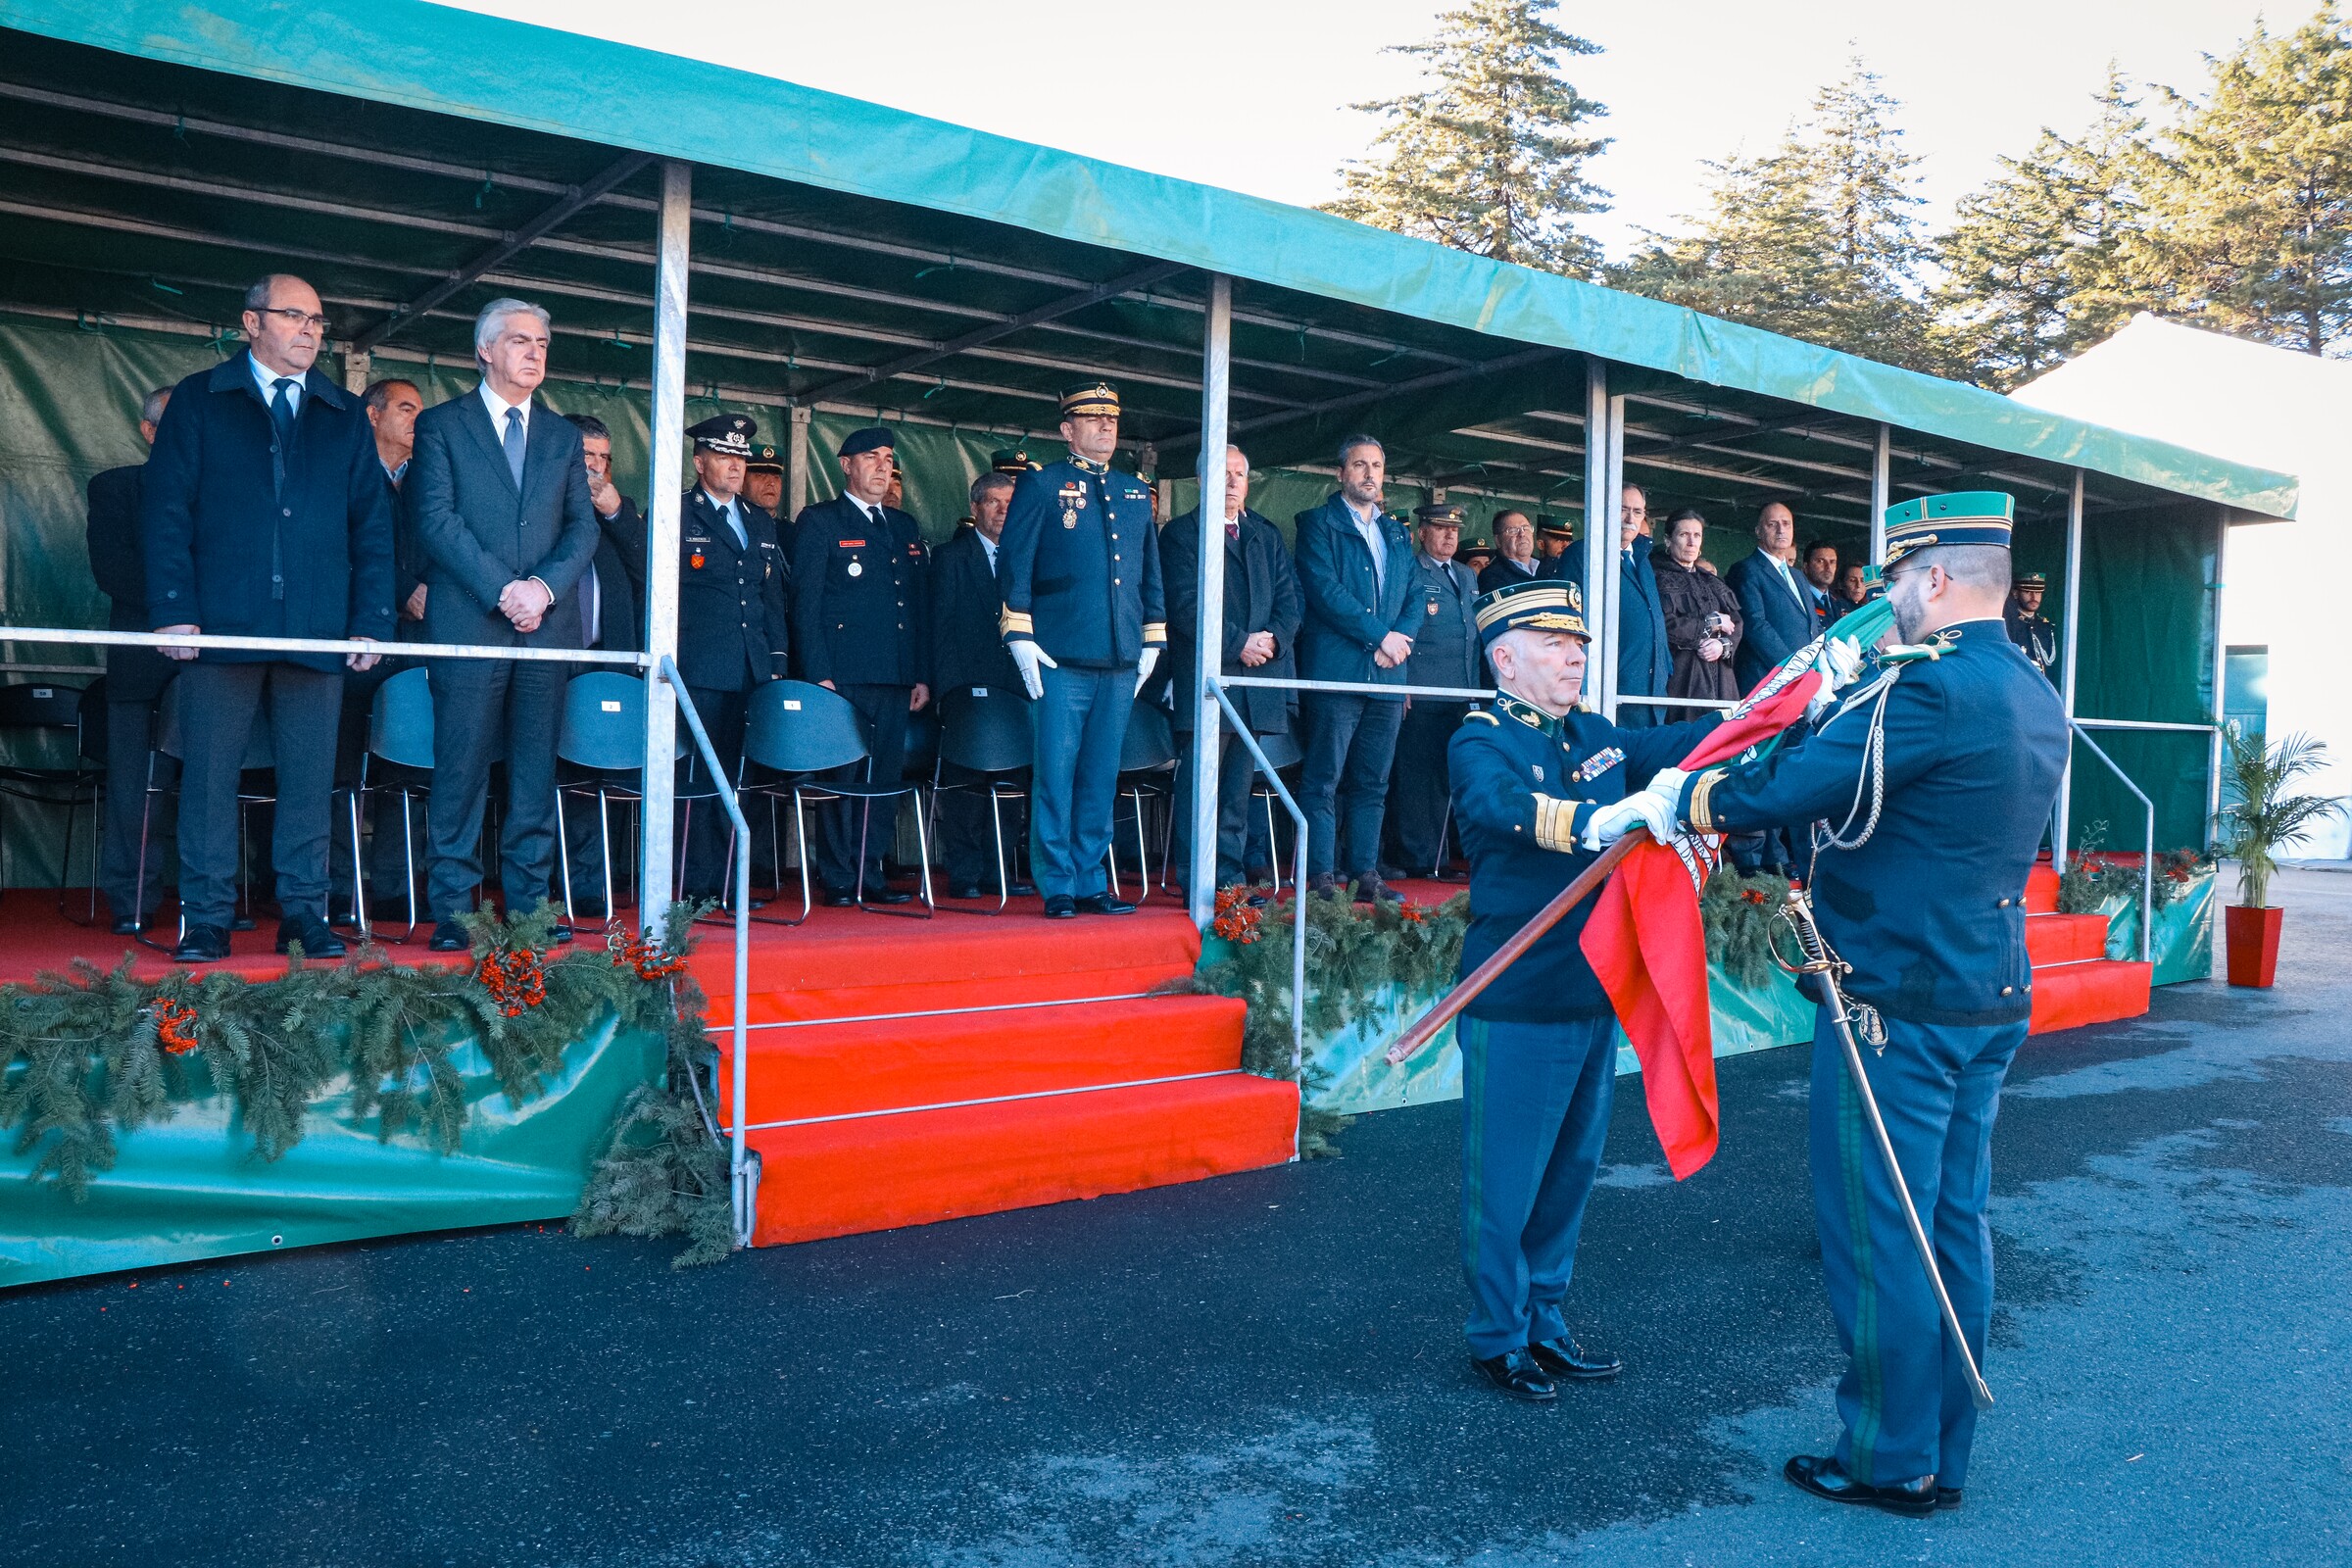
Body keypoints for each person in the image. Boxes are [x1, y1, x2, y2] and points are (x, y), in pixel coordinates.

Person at [1649, 492, 2069, 1516]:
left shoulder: (1925, 689)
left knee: (1883, 1230)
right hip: (1984, 986)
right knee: (1952, 1224)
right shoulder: (2027, 685)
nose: (1884, 602)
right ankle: (1940, 1448)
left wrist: (1684, 798)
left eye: (1893, 582)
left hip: (1895, 999)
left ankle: (1890, 1459)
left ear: (1932, 580)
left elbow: (1792, 785)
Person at [1446, 578, 1721, 1401]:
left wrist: (1781, 703)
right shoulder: (1479, 739)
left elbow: (1683, 741)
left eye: (1579, 646)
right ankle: (1498, 1336)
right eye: (1556, 645)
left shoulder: (1594, 734)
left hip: (1593, 989)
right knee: (1508, 1183)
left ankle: (1546, 1322)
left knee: (1569, 1174)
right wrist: (1590, 822)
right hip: (1519, 995)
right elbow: (1500, 806)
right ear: (1505, 658)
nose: (1575, 656)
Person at [142, 272, 394, 962]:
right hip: (219, 622)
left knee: (311, 779)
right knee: (210, 777)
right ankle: (209, 917)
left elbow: (373, 527)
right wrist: (173, 612)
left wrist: (371, 618)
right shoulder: (200, 399)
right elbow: (165, 513)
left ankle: (305, 915)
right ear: (251, 323)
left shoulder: (343, 413)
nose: (311, 330)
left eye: (318, 321)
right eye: (294, 316)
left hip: (316, 623)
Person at [408, 296, 599, 953]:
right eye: (520, 341)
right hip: (470, 624)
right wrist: (503, 588)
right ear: (484, 350)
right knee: (459, 772)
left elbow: (583, 526)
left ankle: (529, 911)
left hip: (545, 627)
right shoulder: (441, 426)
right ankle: (455, 912)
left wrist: (541, 588)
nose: (534, 353)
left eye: (543, 343)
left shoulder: (563, 436)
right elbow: (435, 520)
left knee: (533, 774)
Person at [997, 381, 1165, 918]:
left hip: (1118, 658)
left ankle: (1093, 879)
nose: (1105, 427)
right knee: (1056, 774)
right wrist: (1018, 633)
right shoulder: (1044, 485)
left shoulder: (1135, 491)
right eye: (1092, 420)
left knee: (1101, 776)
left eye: (1111, 420)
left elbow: (1149, 575)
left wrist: (1153, 638)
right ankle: (1058, 883)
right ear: (1067, 430)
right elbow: (1014, 563)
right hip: (1060, 657)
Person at [791, 425, 927, 905]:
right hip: (842, 675)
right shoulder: (821, 521)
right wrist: (818, 674)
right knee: (842, 778)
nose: (882, 466)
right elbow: (805, 605)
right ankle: (839, 877)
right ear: (846, 465)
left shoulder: (903, 526)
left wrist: (920, 673)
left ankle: (870, 872)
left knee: (884, 778)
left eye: (889, 457)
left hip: (894, 675)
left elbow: (915, 606)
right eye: (871, 457)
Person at [1163, 444, 1301, 894]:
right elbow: (1184, 605)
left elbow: (1289, 600)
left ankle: (1229, 882)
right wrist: (1238, 642)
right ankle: (1195, 882)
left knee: (1237, 796)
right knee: (1199, 790)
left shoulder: (1265, 532)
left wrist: (1274, 640)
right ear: (1202, 480)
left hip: (1255, 681)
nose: (1232, 482)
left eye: (1240, 474)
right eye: (1223, 473)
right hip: (1207, 679)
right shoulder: (1182, 534)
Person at [1294, 434, 1416, 902]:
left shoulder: (1397, 532)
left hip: (1388, 674)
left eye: (1377, 466)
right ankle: (1322, 876)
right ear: (1340, 473)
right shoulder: (1318, 524)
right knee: (1324, 778)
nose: (1369, 474)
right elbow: (1324, 592)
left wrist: (1399, 639)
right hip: (1337, 671)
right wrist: (1378, 636)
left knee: (1373, 781)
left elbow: (1413, 594)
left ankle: (1366, 873)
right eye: (1360, 465)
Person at [86, 385, 175, 935]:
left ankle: (209, 901)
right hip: (141, 661)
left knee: (217, 785)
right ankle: (132, 902)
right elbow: (112, 571)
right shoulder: (117, 487)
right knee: (134, 786)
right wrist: (183, 608)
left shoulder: (225, 494)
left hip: (213, 668)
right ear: (149, 432)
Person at [559, 413, 650, 913]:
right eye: (585, 456)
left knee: (606, 773)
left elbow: (651, 572)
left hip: (608, 659)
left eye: (603, 458)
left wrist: (617, 515)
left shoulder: (623, 509)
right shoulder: (539, 503)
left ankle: (598, 884)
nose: (595, 467)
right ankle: (568, 884)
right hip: (556, 658)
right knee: (562, 775)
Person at [929, 468, 1033, 898]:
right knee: (967, 785)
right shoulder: (951, 557)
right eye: (994, 502)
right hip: (966, 690)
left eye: (1011, 503)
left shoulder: (1025, 559)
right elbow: (939, 626)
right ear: (975, 508)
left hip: (1013, 689)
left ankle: (999, 870)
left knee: (1011, 783)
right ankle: (966, 873)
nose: (1004, 511)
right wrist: (948, 692)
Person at [1385, 503, 1482, 879]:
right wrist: (1402, 683)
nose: (1449, 536)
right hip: (1422, 691)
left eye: (1454, 530)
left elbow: (1471, 638)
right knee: (1414, 777)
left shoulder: (1465, 575)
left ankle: (1437, 858)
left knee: (1444, 776)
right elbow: (1401, 627)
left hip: (1459, 693)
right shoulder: (1412, 568)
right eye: (1440, 529)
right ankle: (1414, 857)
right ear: (1422, 533)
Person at [1652, 507, 1742, 705]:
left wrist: (1722, 645)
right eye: (1684, 534)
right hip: (1681, 676)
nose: (1692, 542)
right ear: (1668, 540)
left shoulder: (1711, 581)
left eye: (1697, 535)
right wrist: (1710, 624)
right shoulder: (1656, 577)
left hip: (1722, 681)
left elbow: (1736, 621)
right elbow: (1661, 624)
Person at [2005, 571, 2058, 680]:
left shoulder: (2044, 626)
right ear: (2015, 593)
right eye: (2028, 592)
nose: (2034, 597)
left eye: (2038, 593)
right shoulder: (2008, 624)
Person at [1478, 510, 1541, 593]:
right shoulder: (1491, 576)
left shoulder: (1547, 567)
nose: (1522, 534)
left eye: (1525, 528)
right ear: (1498, 541)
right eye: (1513, 530)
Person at [1801, 540, 1843, 630]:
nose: (1828, 568)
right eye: (1820, 561)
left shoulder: (1840, 602)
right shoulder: (1799, 598)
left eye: (1832, 562)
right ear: (1806, 567)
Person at [742, 442, 785, 521]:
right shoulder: (733, 526)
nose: (771, 483)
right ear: (741, 482)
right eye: (760, 475)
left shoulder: (791, 531)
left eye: (776, 477)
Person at [1533, 514, 1577, 579]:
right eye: (1559, 540)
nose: (1566, 546)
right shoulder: (1532, 570)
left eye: (1568, 541)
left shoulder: (1574, 570)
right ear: (1541, 544)